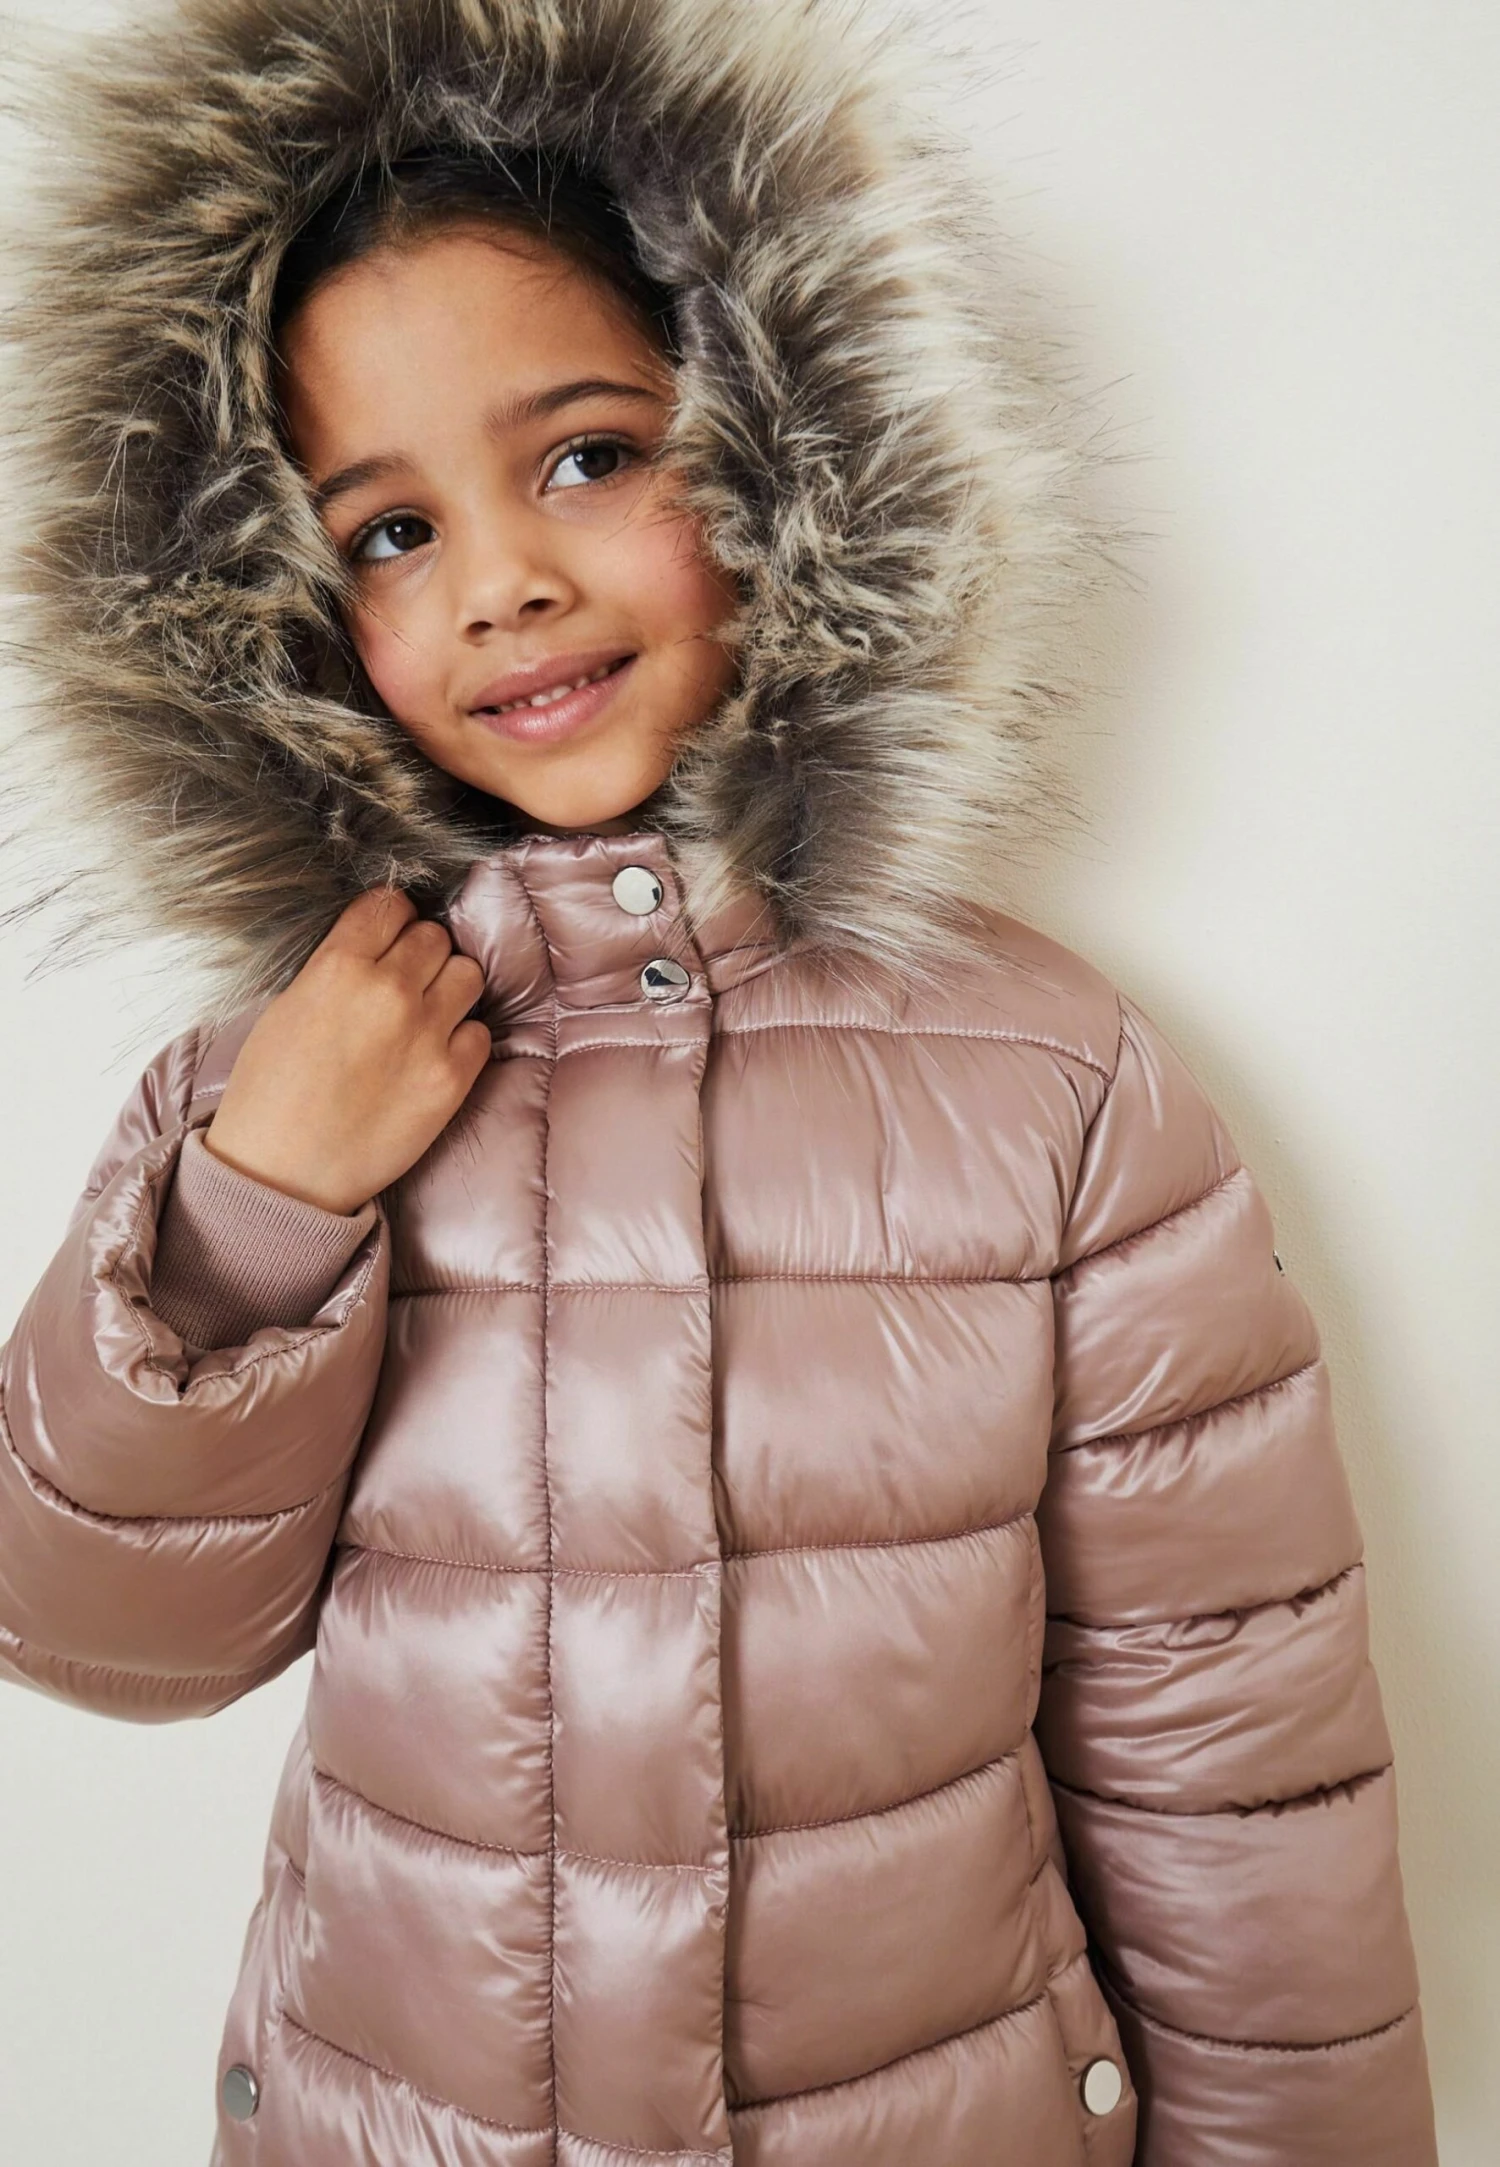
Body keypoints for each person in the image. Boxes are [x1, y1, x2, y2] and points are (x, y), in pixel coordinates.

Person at [0, 1, 1438, 2163]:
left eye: (588, 454)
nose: (506, 581)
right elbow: (104, 1639)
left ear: (781, 447)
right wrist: (255, 1210)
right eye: (386, 531)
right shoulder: (279, 1078)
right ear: (270, 603)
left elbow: (1234, 1765)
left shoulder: (1054, 1087)